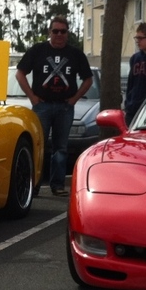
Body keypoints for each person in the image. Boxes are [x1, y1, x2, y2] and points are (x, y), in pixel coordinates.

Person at [15, 16, 93, 196]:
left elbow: (88, 79)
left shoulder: (75, 54)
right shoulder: (38, 50)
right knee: (38, 146)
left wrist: (74, 99)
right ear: (49, 32)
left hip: (65, 107)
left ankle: (57, 185)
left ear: (67, 33)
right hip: (41, 106)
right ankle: (33, 186)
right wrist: (33, 98)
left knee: (61, 148)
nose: (59, 34)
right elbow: (20, 73)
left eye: (63, 31)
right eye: (55, 31)